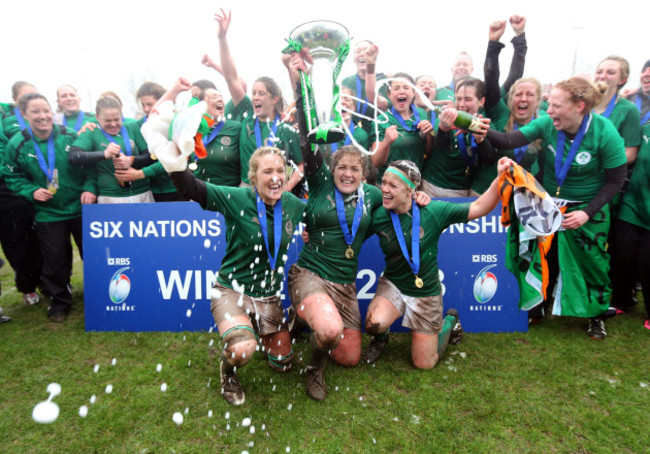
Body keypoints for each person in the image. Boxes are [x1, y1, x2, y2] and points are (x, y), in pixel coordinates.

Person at [146, 94, 306, 405]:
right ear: (253, 177)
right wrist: (176, 161)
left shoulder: (294, 205)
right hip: (231, 291)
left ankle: (281, 323)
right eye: (266, 173)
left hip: (268, 295)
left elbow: (323, 220)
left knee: (283, 363)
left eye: (279, 171)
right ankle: (228, 373)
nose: (275, 178)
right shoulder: (237, 197)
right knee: (242, 349)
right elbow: (191, 188)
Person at [486, 77, 627, 339]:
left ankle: (595, 315)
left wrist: (587, 212)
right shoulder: (548, 124)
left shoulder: (605, 133)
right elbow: (507, 140)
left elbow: (616, 181)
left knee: (592, 262)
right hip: (548, 204)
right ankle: (537, 306)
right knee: (544, 257)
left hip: (586, 209)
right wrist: (474, 126)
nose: (548, 111)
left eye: (556, 106)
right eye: (549, 105)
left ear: (579, 107)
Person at [286, 54, 384, 401]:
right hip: (310, 272)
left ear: (364, 175)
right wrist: (301, 84)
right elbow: (305, 133)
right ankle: (314, 369)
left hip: (344, 285)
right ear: (332, 168)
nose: (346, 174)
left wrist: (419, 200)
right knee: (328, 331)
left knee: (350, 357)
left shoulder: (372, 196)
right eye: (341, 167)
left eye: (354, 170)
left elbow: (398, 206)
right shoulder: (321, 180)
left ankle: (302, 322)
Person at [363, 156, 512, 369]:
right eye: (384, 182)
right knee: (373, 324)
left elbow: (479, 207)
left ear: (410, 191)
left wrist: (499, 178)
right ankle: (380, 338)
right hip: (394, 284)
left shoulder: (433, 211)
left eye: (392, 185)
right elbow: (351, 234)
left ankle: (450, 322)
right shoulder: (378, 215)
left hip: (425, 291)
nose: (384, 189)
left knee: (424, 364)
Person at [1, 93, 96, 322]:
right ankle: (60, 300)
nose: (43, 116)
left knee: (93, 255)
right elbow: (11, 176)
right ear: (24, 115)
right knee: (54, 260)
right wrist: (30, 191)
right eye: (35, 112)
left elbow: (90, 167)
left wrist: (90, 188)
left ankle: (99, 294)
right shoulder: (17, 144)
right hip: (48, 212)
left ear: (52, 111)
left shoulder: (70, 135)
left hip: (80, 207)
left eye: (46, 110)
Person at [212, 9, 304, 194]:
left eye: (261, 94)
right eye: (253, 93)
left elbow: (302, 165)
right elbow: (231, 78)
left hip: (276, 191)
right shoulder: (247, 115)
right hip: (247, 192)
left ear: (274, 98)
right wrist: (222, 38)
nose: (255, 97)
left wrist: (286, 188)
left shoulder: (286, 130)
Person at [481, 17, 540, 179]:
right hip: (490, 194)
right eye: (518, 94)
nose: (523, 99)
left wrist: (520, 34)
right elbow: (491, 79)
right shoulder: (501, 113)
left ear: (538, 100)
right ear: (510, 97)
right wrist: (494, 43)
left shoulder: (542, 125)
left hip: (523, 195)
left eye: (530, 95)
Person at [68, 96, 155, 203]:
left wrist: (131, 160)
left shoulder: (133, 127)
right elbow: (73, 157)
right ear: (97, 117)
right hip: (110, 197)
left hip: (142, 193)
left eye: (117, 119)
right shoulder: (91, 131)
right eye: (108, 120)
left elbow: (151, 157)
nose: (113, 124)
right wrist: (104, 154)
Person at [421, 77, 496, 197]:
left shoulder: (485, 124)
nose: (461, 105)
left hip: (461, 191)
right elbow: (440, 147)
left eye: (467, 99)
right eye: (459, 99)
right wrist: (443, 129)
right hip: (431, 187)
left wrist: (480, 140)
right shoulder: (447, 116)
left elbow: (489, 160)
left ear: (481, 101)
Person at [609, 121, 650, 328]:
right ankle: (621, 299)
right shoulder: (645, 128)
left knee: (647, 261)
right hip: (633, 202)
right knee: (622, 253)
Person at [370, 73, 434, 182]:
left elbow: (427, 150)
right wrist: (386, 142)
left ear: (413, 92)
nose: (401, 91)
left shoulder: (421, 114)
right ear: (389, 94)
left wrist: (429, 133)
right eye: (396, 88)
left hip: (414, 183)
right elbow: (376, 162)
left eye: (406, 87)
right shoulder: (381, 121)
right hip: (389, 183)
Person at [593, 56, 641, 164]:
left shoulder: (628, 110)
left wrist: (595, 163)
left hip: (602, 175)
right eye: (599, 72)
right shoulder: (581, 103)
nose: (602, 76)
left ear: (622, 80)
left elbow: (630, 154)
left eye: (610, 72)